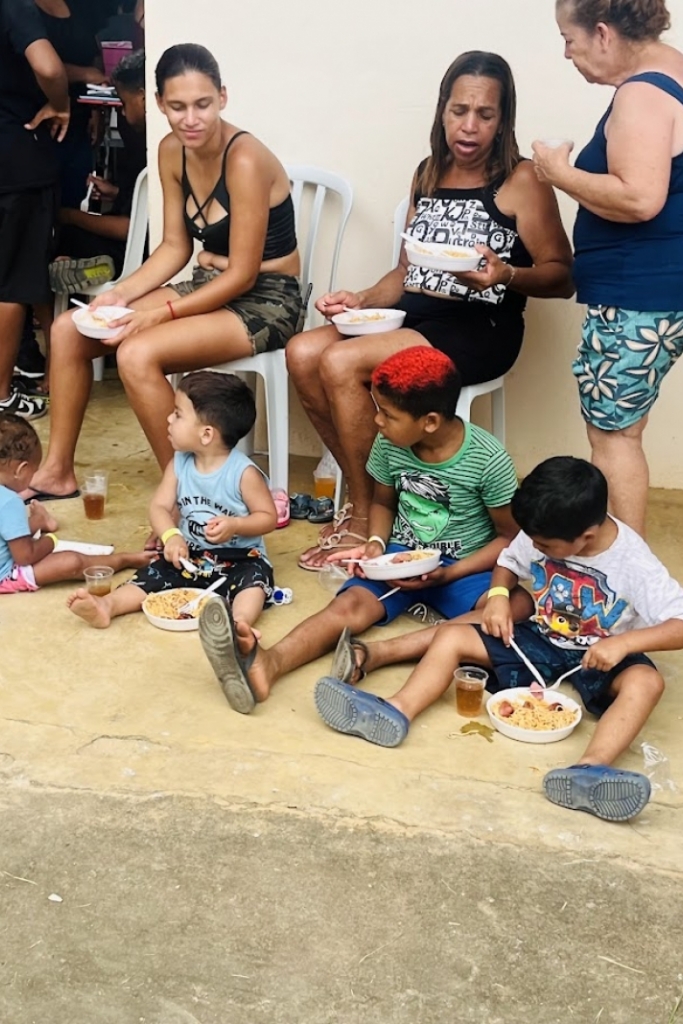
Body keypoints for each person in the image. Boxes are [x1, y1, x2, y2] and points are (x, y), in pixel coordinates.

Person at [288, 50, 574, 571]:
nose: (469, 126)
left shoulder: (522, 180)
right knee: (304, 351)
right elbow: (406, 271)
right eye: (459, 111)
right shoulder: (428, 172)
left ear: (503, 120)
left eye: (485, 114)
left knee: (340, 361)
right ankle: (369, 495)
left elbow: (561, 274)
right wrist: (360, 299)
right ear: (442, 110)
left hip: (480, 327)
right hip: (416, 319)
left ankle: (362, 518)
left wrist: (506, 275)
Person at [314, 456, 683, 823]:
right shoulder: (541, 530)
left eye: (544, 546)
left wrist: (624, 644)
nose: (534, 547)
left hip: (601, 655)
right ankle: (395, 709)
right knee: (452, 637)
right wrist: (498, 597)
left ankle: (590, 770)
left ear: (585, 537)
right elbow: (508, 563)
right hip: (539, 639)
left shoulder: (633, 561)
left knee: (646, 682)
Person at [25, 42, 304, 503]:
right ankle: (57, 472)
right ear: (158, 103)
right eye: (177, 107)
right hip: (207, 285)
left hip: (267, 299)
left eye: (202, 104)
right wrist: (120, 294)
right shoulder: (171, 151)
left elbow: (243, 275)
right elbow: (175, 246)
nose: (191, 119)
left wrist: (160, 314)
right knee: (67, 329)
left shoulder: (245, 158)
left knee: (136, 354)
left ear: (223, 97)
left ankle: (186, 495)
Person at [197, 346, 530, 715]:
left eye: (387, 414)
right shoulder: (390, 444)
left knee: (517, 605)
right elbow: (383, 503)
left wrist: (452, 573)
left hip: (465, 566)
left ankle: (380, 652)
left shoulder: (487, 460)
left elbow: (509, 537)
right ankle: (269, 663)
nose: (377, 421)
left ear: (430, 421)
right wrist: (375, 544)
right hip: (401, 558)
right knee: (348, 605)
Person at [532, 0, 683, 539]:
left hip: (637, 294)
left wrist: (558, 172)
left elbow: (640, 198)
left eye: (568, 39)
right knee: (626, 429)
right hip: (661, 291)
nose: (566, 53)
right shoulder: (675, 72)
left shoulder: (642, 95)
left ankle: (623, 571)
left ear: (602, 33)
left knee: (614, 435)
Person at [67, 371, 277, 630]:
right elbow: (159, 507)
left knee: (254, 581)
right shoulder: (179, 464)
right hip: (190, 555)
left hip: (240, 558)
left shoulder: (243, 473)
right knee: (154, 573)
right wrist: (171, 536)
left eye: (178, 414)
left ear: (206, 434)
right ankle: (107, 605)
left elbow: (267, 517)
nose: (169, 418)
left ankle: (238, 624)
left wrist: (236, 525)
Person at [0, 0, 70, 421]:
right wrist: (60, 102)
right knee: (10, 284)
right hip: (14, 163)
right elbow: (48, 66)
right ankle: (1, 395)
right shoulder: (14, 6)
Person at [0, 412, 152, 592]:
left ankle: (39, 521)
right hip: (5, 575)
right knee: (72, 562)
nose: (34, 476)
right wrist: (50, 541)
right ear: (20, 470)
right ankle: (124, 559)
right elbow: (25, 556)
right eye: (34, 471)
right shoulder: (10, 501)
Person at [49, 47, 147, 294]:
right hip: (137, 247)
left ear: (143, 98)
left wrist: (70, 215)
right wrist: (116, 193)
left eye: (123, 104)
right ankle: (91, 265)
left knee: (65, 235)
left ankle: (99, 265)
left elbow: (127, 228)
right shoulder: (148, 147)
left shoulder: (149, 150)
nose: (121, 112)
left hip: (134, 252)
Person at [35, 0, 108, 209]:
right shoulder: (21, 9)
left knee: (76, 195)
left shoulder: (80, 7)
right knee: (39, 204)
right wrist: (85, 74)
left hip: (80, 120)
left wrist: (97, 110)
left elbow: (95, 56)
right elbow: (32, 65)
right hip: (39, 120)